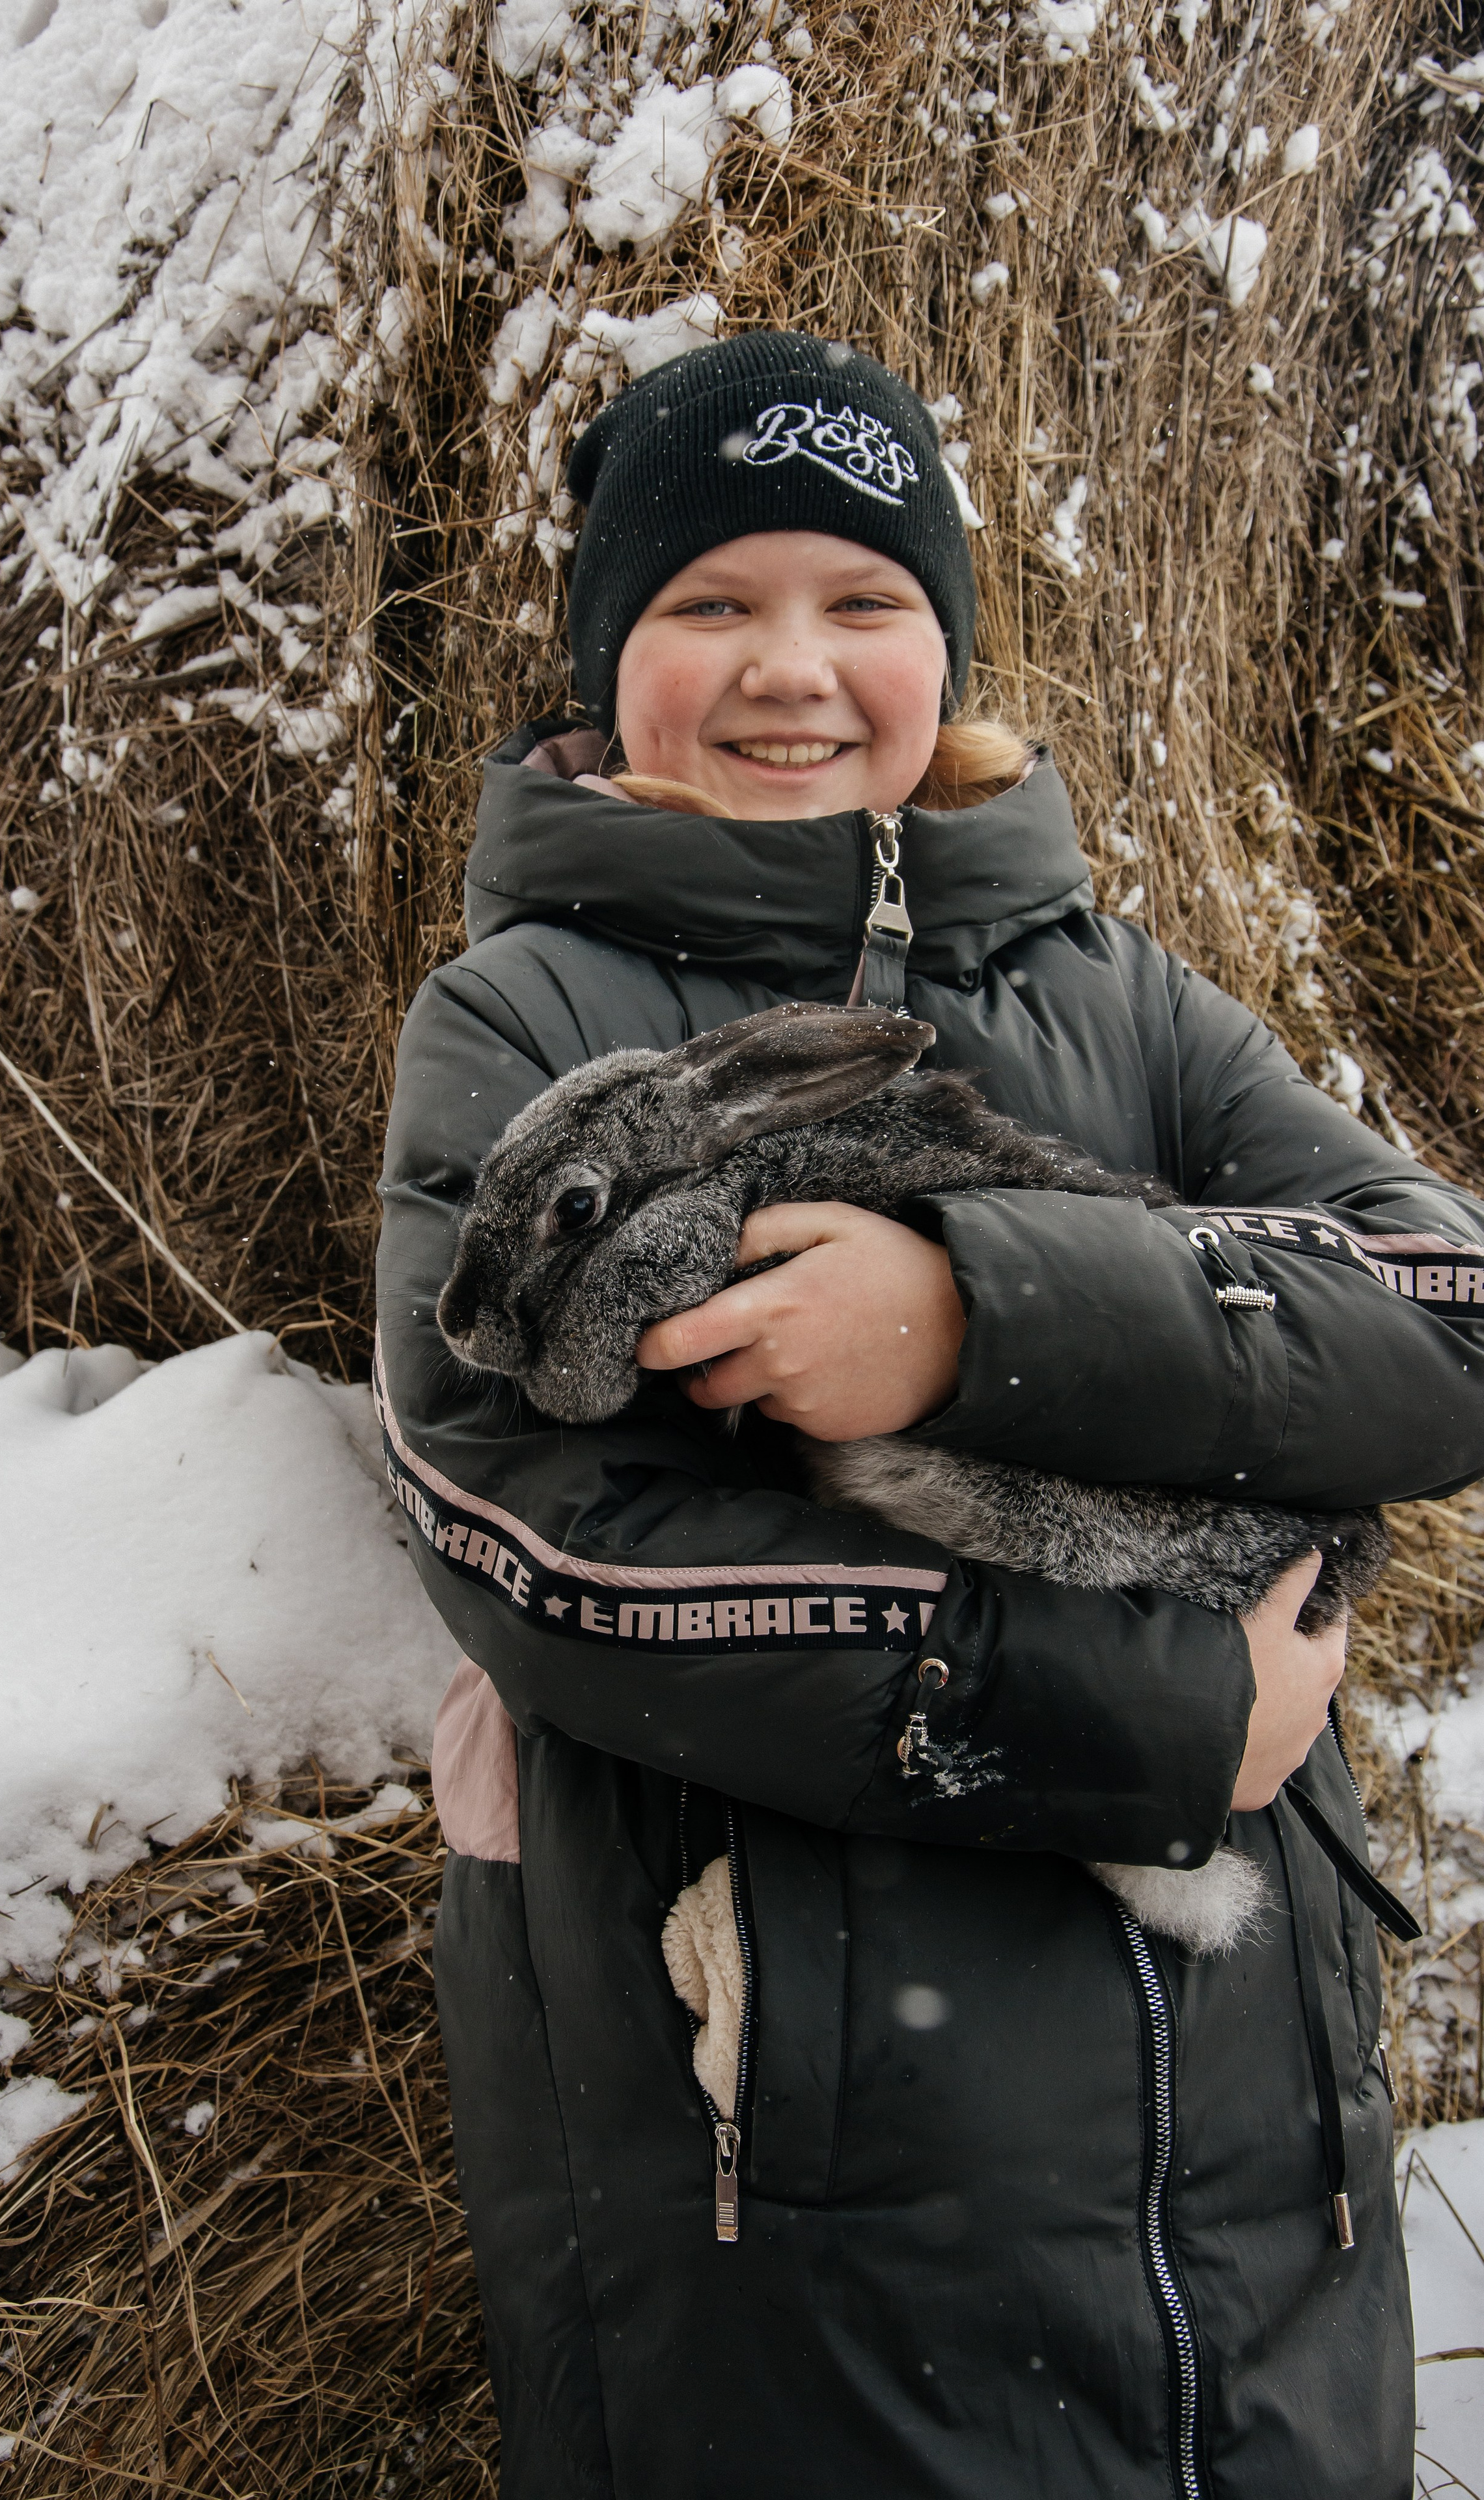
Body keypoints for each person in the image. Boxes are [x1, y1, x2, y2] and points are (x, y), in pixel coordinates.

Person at [374, 330, 1484, 2498]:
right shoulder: (528, 1012)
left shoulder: (1115, 990)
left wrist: (973, 1314)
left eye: (863, 602)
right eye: (710, 607)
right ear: (613, 664)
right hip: (802, 2182)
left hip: (1269, 2177)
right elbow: (535, 1521)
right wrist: (1154, 1721)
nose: (793, 667)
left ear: (945, 646)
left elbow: (1445, 1317)